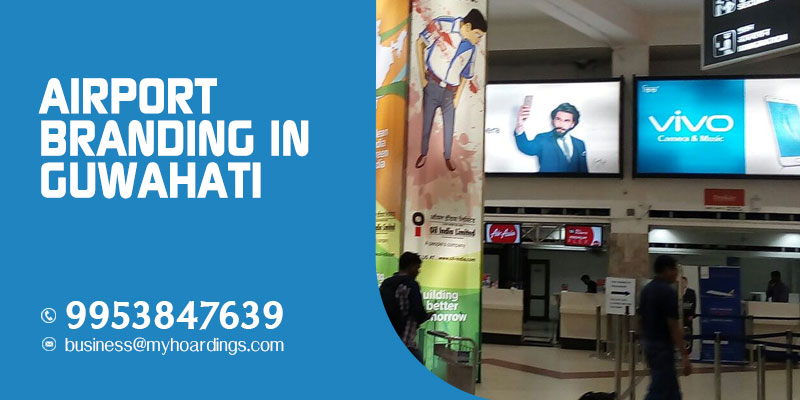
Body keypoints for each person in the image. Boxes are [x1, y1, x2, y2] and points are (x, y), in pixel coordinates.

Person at [414, 9, 487, 172]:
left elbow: (465, 75)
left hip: (449, 93)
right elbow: (420, 43)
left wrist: (456, 98)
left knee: (449, 127)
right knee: (427, 124)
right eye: (477, 35)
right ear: (468, 27)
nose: (478, 40)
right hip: (432, 84)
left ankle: (447, 156)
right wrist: (423, 78)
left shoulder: (471, 49)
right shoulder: (442, 24)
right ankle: (424, 153)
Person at [639, 255, 691, 400]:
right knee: (659, 389)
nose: (676, 274)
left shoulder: (646, 290)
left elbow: (640, 319)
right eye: (675, 269)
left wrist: (644, 340)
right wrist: (684, 355)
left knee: (671, 390)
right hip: (662, 347)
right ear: (667, 269)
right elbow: (673, 326)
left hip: (650, 344)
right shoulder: (668, 292)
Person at [380, 252, 432, 362]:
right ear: (411, 266)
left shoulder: (386, 283)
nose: (418, 271)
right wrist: (427, 315)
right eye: (417, 267)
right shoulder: (411, 285)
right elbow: (418, 313)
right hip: (406, 340)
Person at [513, 102, 588, 173]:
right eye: (558, 119)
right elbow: (527, 148)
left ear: (572, 124)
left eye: (566, 121)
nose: (561, 124)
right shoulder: (542, 138)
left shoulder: (580, 144)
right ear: (553, 120)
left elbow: (584, 172)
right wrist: (519, 125)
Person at [680, 276, 697, 353]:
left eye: (683, 282)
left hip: (688, 316)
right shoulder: (677, 292)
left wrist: (692, 315)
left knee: (688, 332)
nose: (682, 284)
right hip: (679, 316)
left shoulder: (691, 292)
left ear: (686, 283)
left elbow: (693, 304)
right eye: (681, 282)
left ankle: (688, 350)